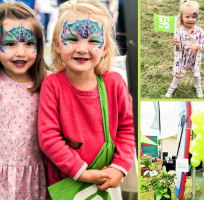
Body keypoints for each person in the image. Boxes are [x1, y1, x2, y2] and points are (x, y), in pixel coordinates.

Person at [38, 0, 135, 198]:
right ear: (57, 44)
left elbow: (128, 129)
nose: (82, 48)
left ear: (105, 47)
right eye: (72, 39)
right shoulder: (52, 86)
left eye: (93, 41)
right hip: (67, 184)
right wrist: (81, 172)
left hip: (106, 183)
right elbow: (48, 137)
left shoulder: (115, 84)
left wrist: (119, 167)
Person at [0, 2, 50, 199]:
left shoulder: (48, 82)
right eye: (10, 44)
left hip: (38, 175)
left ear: (39, 44)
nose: (21, 53)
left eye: (29, 43)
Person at [165, 0, 204, 98]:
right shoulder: (179, 31)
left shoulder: (200, 31)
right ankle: (173, 87)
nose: (190, 19)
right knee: (178, 74)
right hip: (182, 58)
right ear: (182, 18)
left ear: (197, 17)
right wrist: (177, 45)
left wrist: (197, 47)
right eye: (187, 17)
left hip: (194, 58)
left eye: (193, 16)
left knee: (196, 74)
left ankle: (198, 87)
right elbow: (177, 48)